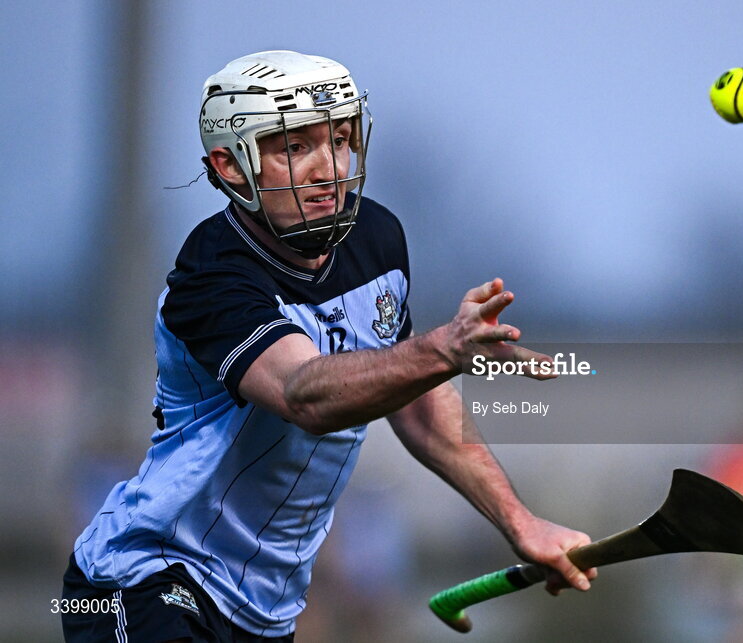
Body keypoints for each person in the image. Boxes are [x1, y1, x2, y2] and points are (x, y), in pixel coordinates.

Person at [62, 50, 596, 642]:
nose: (327, 168)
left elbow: (415, 402)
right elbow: (305, 395)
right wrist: (443, 349)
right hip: (141, 584)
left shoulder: (377, 238)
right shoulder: (212, 275)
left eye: (340, 140)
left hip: (264, 613)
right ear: (230, 165)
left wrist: (520, 523)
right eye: (295, 147)